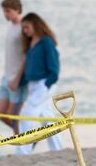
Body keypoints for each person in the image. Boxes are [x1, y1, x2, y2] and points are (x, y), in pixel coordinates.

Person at [15, 12, 63, 155]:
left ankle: (23, 152)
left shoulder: (46, 42)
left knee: (26, 115)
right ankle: (58, 150)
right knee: (47, 118)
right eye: (23, 28)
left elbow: (54, 66)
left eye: (27, 27)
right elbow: (30, 68)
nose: (25, 31)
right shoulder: (31, 45)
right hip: (33, 85)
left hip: (44, 84)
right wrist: (19, 83)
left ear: (35, 25)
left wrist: (47, 83)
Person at [0, 0, 26, 132]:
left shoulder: (23, 28)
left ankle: (22, 146)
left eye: (8, 11)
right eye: (4, 11)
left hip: (16, 79)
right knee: (0, 113)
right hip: (6, 76)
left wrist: (18, 79)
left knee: (14, 116)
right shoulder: (11, 26)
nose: (5, 14)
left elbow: (27, 56)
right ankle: (26, 137)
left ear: (17, 10)